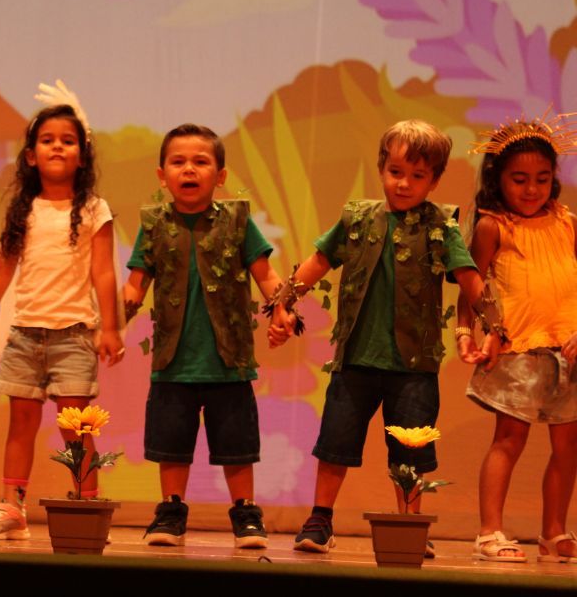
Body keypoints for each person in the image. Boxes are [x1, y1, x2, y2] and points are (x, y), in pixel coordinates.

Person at [271, 120, 491, 555]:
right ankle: (320, 520)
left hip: (414, 367)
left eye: (417, 175)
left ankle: (409, 525)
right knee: (335, 444)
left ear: (434, 180)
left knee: (410, 452)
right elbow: (319, 260)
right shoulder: (357, 218)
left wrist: (496, 326)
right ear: (381, 168)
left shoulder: (440, 226)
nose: (404, 183)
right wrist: (284, 301)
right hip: (356, 359)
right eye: (395, 172)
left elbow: (468, 276)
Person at [0, 81, 123, 541]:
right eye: (48, 140)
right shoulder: (24, 210)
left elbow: (104, 273)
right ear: (31, 156)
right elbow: (1, 270)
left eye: (68, 140)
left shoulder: (93, 209)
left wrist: (111, 328)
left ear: (83, 155)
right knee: (20, 423)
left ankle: (86, 506)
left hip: (73, 335)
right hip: (24, 335)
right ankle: (12, 507)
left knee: (76, 425)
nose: (58, 146)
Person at [122, 123, 287, 548]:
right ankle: (171, 512)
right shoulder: (153, 225)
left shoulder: (238, 221)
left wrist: (283, 309)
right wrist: (112, 317)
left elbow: (266, 275)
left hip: (228, 362)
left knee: (237, 445)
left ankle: (245, 514)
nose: (189, 169)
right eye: (178, 162)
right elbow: (135, 286)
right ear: (162, 175)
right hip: (173, 361)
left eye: (200, 161)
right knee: (171, 445)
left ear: (220, 175)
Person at [457, 116, 577, 563]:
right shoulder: (494, 226)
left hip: (568, 352)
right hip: (517, 350)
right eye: (520, 180)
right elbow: (470, 286)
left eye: (542, 179)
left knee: (568, 446)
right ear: (498, 178)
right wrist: (465, 332)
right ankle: (489, 531)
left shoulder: (568, 223)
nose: (532, 190)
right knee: (509, 439)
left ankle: (554, 532)